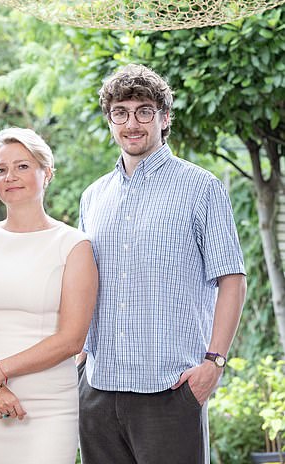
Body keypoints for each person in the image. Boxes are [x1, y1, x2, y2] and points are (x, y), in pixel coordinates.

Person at [77, 64, 247, 464]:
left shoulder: (201, 188)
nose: (131, 123)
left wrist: (214, 364)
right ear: (109, 119)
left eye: (144, 111)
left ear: (164, 117)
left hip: (171, 391)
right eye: (120, 111)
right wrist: (81, 360)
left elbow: (233, 281)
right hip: (98, 390)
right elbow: (84, 283)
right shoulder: (93, 196)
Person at [0, 127, 98, 464]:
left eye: (23, 166)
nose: (10, 176)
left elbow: (72, 338)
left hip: (48, 405)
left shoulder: (75, 245)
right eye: (1, 169)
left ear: (47, 173)